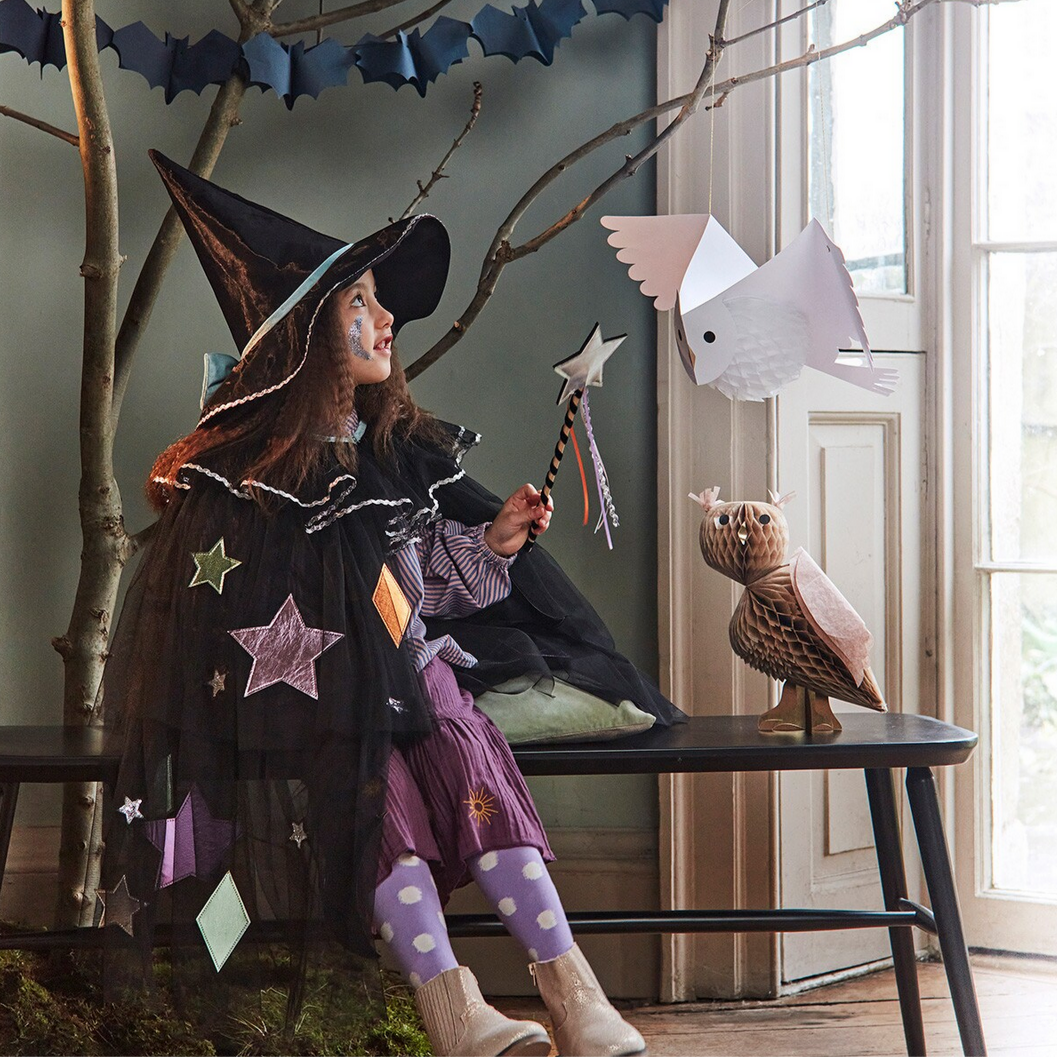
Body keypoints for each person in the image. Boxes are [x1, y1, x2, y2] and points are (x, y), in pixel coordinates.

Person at [100, 152, 684, 1057]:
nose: (385, 322)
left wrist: (488, 546)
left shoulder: (389, 459)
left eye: (380, 304)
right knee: (381, 801)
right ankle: (451, 1006)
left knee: (471, 766)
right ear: (306, 340)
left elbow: (410, 589)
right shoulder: (253, 485)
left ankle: (575, 995)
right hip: (321, 701)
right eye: (359, 305)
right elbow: (237, 617)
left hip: (417, 685)